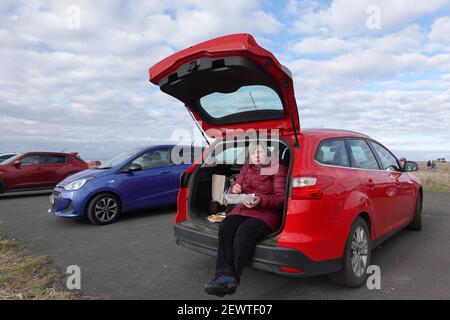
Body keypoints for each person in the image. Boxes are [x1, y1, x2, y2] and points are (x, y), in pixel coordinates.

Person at [204, 142, 287, 297]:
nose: (256, 154)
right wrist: (233, 190)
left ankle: (231, 279)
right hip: (242, 209)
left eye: (260, 151)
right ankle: (223, 276)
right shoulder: (246, 168)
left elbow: (281, 200)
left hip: (266, 213)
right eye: (253, 152)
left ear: (268, 153)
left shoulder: (277, 169)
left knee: (245, 231)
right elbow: (232, 194)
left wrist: (260, 200)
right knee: (226, 226)